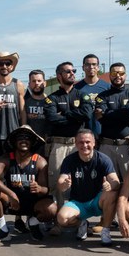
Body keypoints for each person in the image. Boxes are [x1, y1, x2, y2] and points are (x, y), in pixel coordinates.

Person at [0, 125, 57, 243]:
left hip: (32, 204)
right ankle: (3, 230)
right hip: (12, 202)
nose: (24, 140)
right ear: (14, 142)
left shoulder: (39, 161)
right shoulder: (7, 158)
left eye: (27, 138)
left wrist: (39, 188)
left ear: (32, 142)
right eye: (20, 138)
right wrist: (11, 194)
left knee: (52, 208)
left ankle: (33, 223)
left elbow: (45, 190)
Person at [55, 129, 119, 246]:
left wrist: (110, 185)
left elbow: (116, 181)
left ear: (94, 143)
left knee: (112, 193)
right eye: (81, 142)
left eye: (88, 142)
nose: (85, 145)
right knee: (62, 219)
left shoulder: (103, 159)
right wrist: (63, 184)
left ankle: (105, 231)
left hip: (97, 201)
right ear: (76, 143)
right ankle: (82, 224)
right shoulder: (69, 160)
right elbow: (61, 181)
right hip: (78, 203)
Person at [45, 62, 94, 194]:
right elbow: (52, 118)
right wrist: (76, 117)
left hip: (77, 145)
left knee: (80, 182)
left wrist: (65, 114)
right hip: (58, 145)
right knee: (57, 184)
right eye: (68, 71)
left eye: (74, 71)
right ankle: (58, 213)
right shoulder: (52, 98)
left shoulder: (82, 95)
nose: (72, 74)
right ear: (59, 76)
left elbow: (87, 114)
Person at [95, 62, 129, 182]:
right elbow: (100, 117)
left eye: (121, 73)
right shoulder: (101, 96)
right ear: (110, 75)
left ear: (126, 75)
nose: (118, 76)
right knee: (108, 185)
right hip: (107, 146)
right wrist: (124, 116)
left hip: (127, 147)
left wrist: (106, 114)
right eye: (114, 73)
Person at [74, 53, 110, 136]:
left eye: (94, 64)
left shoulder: (107, 87)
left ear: (98, 67)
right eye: (88, 64)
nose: (91, 67)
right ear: (83, 67)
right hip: (83, 134)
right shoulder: (76, 88)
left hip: (104, 134)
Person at [24, 69, 51, 153]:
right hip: (29, 144)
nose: (36, 83)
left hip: (47, 144)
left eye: (39, 81)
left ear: (44, 83)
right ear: (29, 84)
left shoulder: (51, 101)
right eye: (33, 81)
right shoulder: (24, 102)